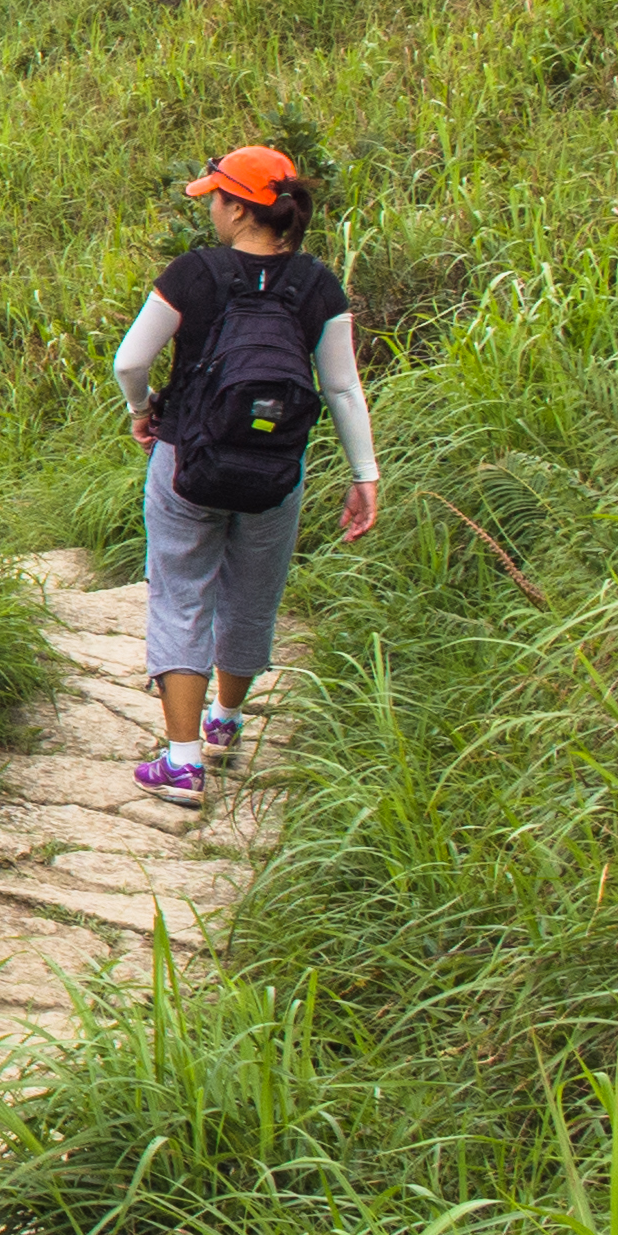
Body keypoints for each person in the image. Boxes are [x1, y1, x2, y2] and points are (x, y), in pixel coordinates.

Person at [114, 144, 376, 799]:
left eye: (215, 198)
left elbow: (129, 362)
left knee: (180, 594)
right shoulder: (317, 285)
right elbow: (341, 390)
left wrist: (142, 411)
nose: (210, 208)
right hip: (273, 471)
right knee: (252, 596)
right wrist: (362, 474)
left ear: (236, 207)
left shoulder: (191, 275)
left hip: (188, 461)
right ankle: (224, 725)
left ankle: (180, 761)